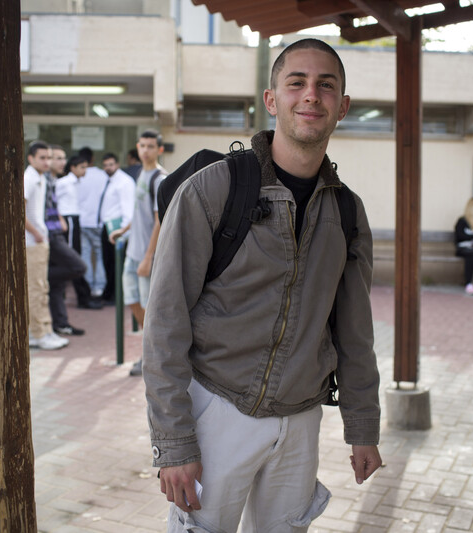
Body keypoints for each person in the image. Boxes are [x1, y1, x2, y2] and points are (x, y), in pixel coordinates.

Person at [142, 39, 382, 532]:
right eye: (296, 82)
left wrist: (362, 426)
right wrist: (174, 441)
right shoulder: (212, 189)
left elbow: (354, 330)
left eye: (326, 85)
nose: (311, 95)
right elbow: (165, 323)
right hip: (217, 407)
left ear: (343, 107)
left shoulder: (348, 213)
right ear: (272, 100)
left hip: (301, 418)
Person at [118, 130, 165, 376]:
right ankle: (149, 351)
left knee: (149, 307)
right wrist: (123, 230)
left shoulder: (159, 178)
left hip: (148, 255)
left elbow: (159, 220)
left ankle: (150, 357)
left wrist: (148, 258)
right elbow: (139, 212)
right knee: (132, 301)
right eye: (142, 145)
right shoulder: (141, 174)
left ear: (159, 149)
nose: (145, 150)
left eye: (150, 146)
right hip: (132, 252)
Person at [24, 140, 68, 350]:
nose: (46, 161)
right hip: (32, 243)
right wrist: (36, 234)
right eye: (42, 157)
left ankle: (45, 330)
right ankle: (39, 334)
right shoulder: (29, 178)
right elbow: (18, 211)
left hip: (40, 241)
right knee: (36, 289)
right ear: (31, 158)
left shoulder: (41, 178)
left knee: (42, 288)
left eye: (48, 157)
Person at [45, 145, 88, 336]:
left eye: (63, 158)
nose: (62, 162)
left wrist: (60, 219)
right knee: (78, 266)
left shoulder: (53, 180)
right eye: (57, 158)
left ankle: (61, 323)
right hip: (49, 236)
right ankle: (38, 277)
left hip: (57, 232)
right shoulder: (41, 180)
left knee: (58, 285)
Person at [56, 155, 103, 310]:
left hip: (75, 219)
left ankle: (85, 297)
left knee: (77, 258)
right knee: (73, 258)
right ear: (73, 168)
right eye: (82, 167)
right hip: (68, 220)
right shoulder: (63, 183)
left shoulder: (76, 183)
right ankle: (83, 298)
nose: (85, 171)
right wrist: (61, 218)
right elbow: (52, 200)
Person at [97, 153, 135, 304]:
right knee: (108, 263)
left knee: (115, 263)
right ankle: (110, 293)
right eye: (105, 165)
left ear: (117, 164)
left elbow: (128, 210)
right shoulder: (109, 181)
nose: (108, 168)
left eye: (111, 164)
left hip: (118, 230)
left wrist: (124, 233)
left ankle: (114, 296)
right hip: (107, 227)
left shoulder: (124, 182)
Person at [76, 147, 108, 299]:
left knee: (85, 255)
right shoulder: (102, 175)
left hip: (82, 221)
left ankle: (88, 286)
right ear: (93, 159)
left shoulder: (78, 176)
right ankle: (99, 287)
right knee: (100, 255)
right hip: (98, 221)